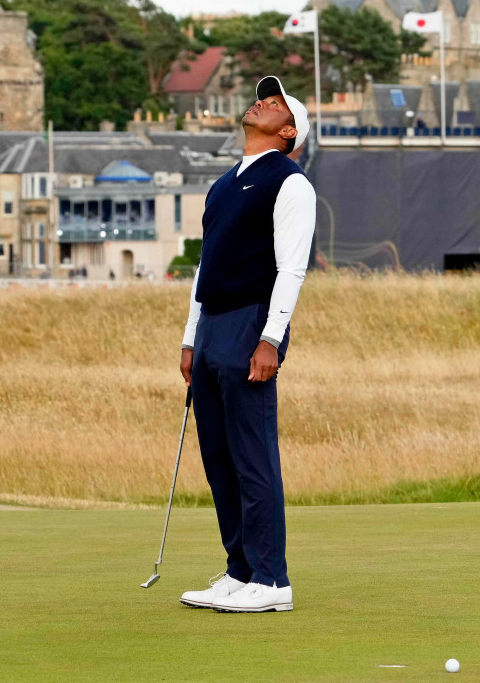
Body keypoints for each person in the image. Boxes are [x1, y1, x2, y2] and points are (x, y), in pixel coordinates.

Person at [177, 75, 316, 614]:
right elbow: (204, 267)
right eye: (264, 95)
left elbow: (292, 268)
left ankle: (272, 578)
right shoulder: (221, 185)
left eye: (276, 102)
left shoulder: (291, 182)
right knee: (218, 455)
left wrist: (271, 339)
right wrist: (191, 337)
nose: (263, 101)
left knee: (252, 453)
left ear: (287, 131)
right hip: (212, 324)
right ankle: (239, 570)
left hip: (251, 324)